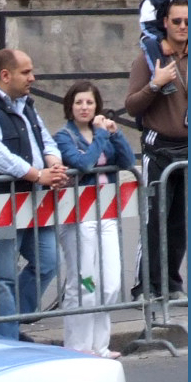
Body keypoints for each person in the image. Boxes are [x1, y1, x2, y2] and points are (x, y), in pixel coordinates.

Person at [0, 48, 69, 342]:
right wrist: (37, 174)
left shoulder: (26, 103)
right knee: (1, 275)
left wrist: (53, 161)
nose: (32, 78)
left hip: (32, 200)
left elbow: (44, 138)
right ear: (5, 75)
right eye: (26, 72)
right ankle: (4, 336)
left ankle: (5, 322)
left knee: (48, 262)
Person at [54, 81, 135, 359]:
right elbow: (84, 163)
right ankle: (79, 347)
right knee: (85, 284)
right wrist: (101, 135)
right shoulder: (64, 136)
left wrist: (116, 133)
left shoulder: (102, 133)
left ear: (97, 105)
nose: (85, 107)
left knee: (110, 284)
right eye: (79, 102)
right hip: (78, 219)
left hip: (107, 215)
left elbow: (126, 161)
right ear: (70, 106)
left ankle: (100, 345)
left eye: (89, 102)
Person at [125, 0, 188, 302]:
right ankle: (144, 286)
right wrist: (155, 83)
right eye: (177, 21)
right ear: (165, 23)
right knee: (154, 219)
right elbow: (131, 104)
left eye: (188, 21)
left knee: (181, 221)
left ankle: (171, 284)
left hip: (188, 149)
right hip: (159, 148)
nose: (183, 26)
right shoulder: (149, 57)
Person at [138, 0, 185, 96]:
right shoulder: (151, 2)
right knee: (150, 45)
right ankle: (161, 79)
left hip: (174, 34)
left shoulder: (181, 0)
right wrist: (161, 40)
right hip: (153, 35)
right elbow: (146, 25)